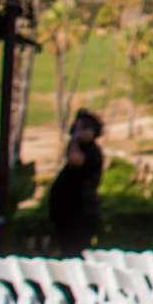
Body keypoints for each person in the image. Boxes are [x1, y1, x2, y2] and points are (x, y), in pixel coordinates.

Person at [47, 110, 105, 257]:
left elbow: (75, 159)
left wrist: (74, 140)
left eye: (83, 128)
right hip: (65, 212)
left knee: (75, 250)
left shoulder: (92, 151)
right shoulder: (76, 145)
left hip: (80, 212)